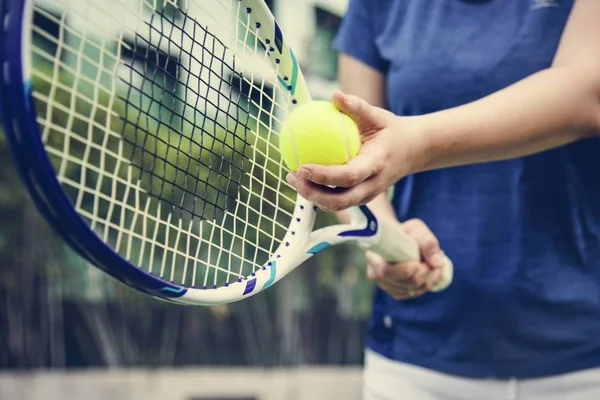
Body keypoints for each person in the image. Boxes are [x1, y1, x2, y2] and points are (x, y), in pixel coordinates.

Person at [285, 0, 600, 399]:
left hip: (583, 365)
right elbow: (362, 153)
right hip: (414, 365)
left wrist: (416, 142)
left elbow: (587, 92)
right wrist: (387, 241)